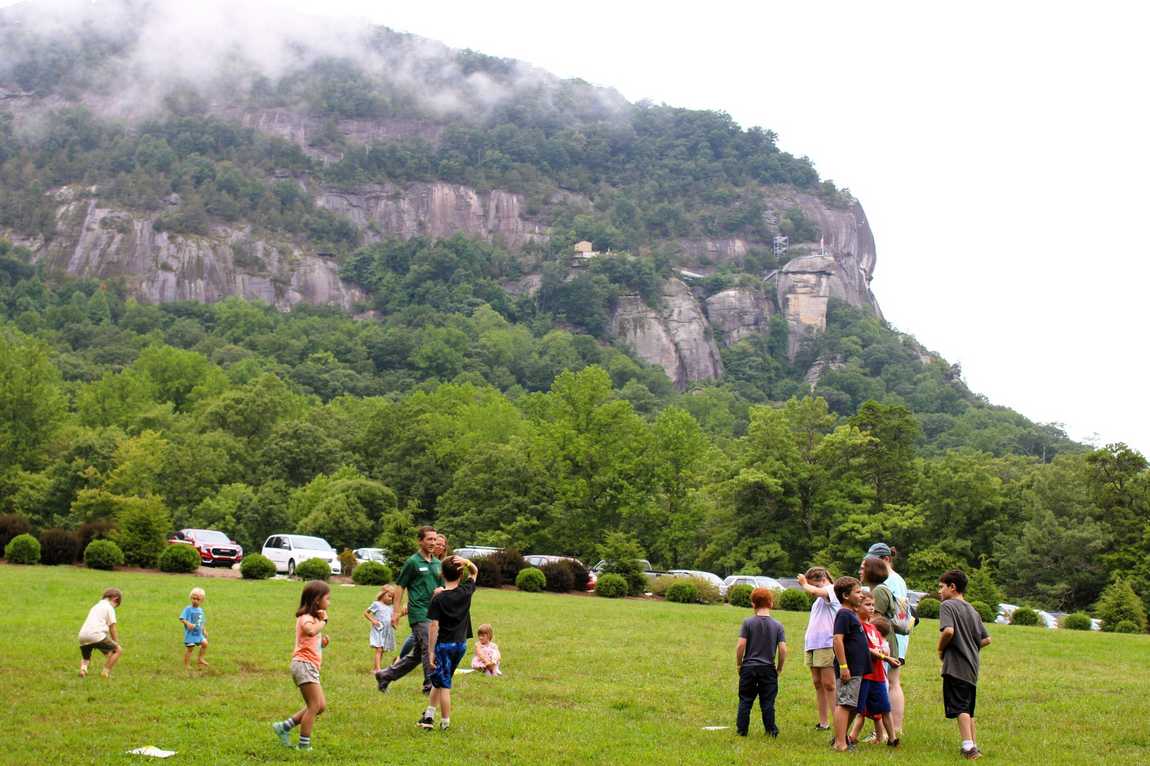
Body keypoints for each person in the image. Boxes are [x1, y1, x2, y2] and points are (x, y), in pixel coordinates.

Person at [375, 526, 444, 694]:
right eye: (429, 539)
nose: (433, 543)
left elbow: (441, 586)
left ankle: (385, 675)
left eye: (435, 539)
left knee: (416, 656)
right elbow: (400, 587)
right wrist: (396, 612)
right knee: (429, 647)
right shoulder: (413, 562)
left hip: (434, 613)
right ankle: (430, 687)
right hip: (419, 613)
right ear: (420, 541)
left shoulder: (437, 563)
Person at [937, 569, 991, 760]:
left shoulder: (948, 606)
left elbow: (949, 631)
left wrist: (940, 649)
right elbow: (986, 639)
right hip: (972, 667)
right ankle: (974, 744)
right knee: (968, 708)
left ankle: (968, 748)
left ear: (953, 587)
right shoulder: (972, 610)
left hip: (955, 666)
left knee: (960, 707)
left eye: (941, 587)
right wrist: (969, 647)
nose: (939, 591)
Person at [271, 580, 331, 751]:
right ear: (317, 600)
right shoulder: (305, 618)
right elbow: (310, 631)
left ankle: (284, 726)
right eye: (327, 598)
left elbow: (310, 640)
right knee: (314, 706)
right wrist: (323, 622)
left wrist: (322, 644)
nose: (329, 602)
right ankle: (304, 745)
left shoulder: (313, 619)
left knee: (320, 706)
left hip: (310, 665)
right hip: (303, 665)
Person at [421, 554, 479, 730]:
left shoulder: (438, 598)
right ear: (460, 575)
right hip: (461, 644)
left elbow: (433, 626)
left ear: (442, 574)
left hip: (444, 646)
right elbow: (475, 571)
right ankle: (429, 714)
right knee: (440, 678)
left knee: (444, 684)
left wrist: (431, 651)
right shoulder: (466, 591)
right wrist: (467, 563)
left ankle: (445, 723)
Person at [864, 542, 910, 735]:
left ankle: (884, 729)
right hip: (898, 637)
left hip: (885, 639)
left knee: (885, 683)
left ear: (886, 560)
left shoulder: (885, 583)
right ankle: (895, 728)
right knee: (894, 682)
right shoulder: (899, 579)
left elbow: (878, 616)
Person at [735, 587, 787, 738]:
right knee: (768, 702)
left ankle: (742, 730)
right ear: (771, 603)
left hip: (749, 667)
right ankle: (771, 730)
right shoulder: (778, 625)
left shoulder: (748, 623)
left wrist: (739, 664)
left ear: (753, 605)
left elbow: (740, 646)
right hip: (768, 668)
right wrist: (779, 667)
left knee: (745, 699)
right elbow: (783, 649)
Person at [850, 596, 900, 748]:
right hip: (864, 675)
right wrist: (886, 658)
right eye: (867, 604)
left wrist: (887, 656)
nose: (872, 608)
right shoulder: (858, 626)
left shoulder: (874, 629)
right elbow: (866, 649)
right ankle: (843, 737)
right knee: (855, 708)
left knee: (885, 708)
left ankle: (892, 739)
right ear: (857, 607)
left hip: (878, 676)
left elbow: (879, 648)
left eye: (873, 605)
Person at [797, 567, 839, 731]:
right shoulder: (819, 599)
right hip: (814, 644)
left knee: (829, 684)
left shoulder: (831, 590)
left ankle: (839, 722)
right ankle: (823, 722)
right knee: (818, 683)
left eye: (813, 583)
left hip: (826, 643)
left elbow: (814, 591)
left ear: (822, 580)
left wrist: (804, 584)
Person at [831, 576, 868, 752]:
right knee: (845, 703)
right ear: (846, 595)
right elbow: (837, 639)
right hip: (849, 668)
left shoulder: (851, 614)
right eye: (858, 592)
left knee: (852, 704)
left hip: (858, 668)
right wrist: (843, 666)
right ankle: (840, 743)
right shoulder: (843, 614)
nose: (861, 595)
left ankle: (840, 737)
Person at [78, 588, 123, 679]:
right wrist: (116, 642)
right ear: (115, 599)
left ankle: (83, 669)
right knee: (118, 650)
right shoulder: (109, 608)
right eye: (116, 605)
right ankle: (105, 673)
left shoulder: (96, 606)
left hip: (82, 635)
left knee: (86, 657)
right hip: (96, 635)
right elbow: (112, 628)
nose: (114, 607)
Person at [364, 585, 397, 672]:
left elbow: (391, 618)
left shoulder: (390, 607)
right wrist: (373, 620)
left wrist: (393, 624)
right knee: (379, 649)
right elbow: (366, 613)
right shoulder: (377, 604)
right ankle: (378, 669)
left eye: (392, 598)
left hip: (387, 631)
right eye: (389, 596)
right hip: (378, 630)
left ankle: (375, 668)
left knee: (381, 650)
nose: (390, 599)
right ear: (383, 594)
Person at [179, 587, 209, 669]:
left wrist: (204, 630)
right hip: (190, 634)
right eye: (193, 598)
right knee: (190, 649)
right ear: (190, 598)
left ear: (202, 600)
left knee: (205, 643)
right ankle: (186, 665)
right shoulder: (188, 609)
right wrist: (187, 623)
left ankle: (200, 658)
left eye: (198, 599)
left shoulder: (200, 610)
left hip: (198, 634)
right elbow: (181, 618)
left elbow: (202, 622)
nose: (195, 600)